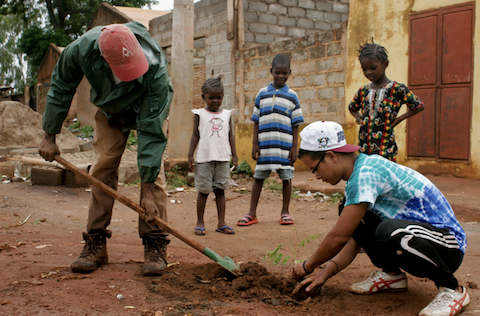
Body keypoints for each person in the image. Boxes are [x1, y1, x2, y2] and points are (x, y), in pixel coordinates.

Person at [292, 121, 469, 316]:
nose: (316, 176)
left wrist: (307, 266)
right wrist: (324, 274)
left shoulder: (366, 173)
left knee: (389, 230)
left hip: (448, 246)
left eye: (315, 169)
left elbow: (339, 236)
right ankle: (392, 275)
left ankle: (452, 290)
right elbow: (354, 238)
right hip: (419, 237)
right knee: (351, 211)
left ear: (331, 156)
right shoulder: (361, 173)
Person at [39, 22, 173, 276]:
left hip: (147, 105)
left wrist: (144, 191)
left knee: (153, 176)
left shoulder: (156, 72)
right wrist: (49, 135)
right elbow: (61, 86)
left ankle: (155, 242)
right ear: (103, 59)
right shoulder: (80, 50)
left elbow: (151, 136)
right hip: (110, 111)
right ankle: (95, 242)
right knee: (102, 169)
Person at [237, 54, 304, 226]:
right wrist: (254, 144)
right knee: (259, 177)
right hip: (265, 146)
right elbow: (256, 120)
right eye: (277, 73)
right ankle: (252, 213)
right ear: (271, 72)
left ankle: (285, 212)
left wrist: (294, 147)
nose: (280, 76)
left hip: (284, 147)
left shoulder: (292, 96)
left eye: (284, 73)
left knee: (286, 178)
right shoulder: (262, 94)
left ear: (289, 73)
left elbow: (296, 124)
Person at [349, 42, 424, 162]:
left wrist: (398, 119)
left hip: (386, 147)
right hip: (365, 147)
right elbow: (352, 108)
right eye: (364, 69)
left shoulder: (397, 88)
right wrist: (359, 118)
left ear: (385, 64)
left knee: (385, 177)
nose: (368, 72)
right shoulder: (363, 91)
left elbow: (418, 106)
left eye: (373, 68)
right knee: (367, 174)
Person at [188, 76, 237, 236]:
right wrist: (190, 155)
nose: (215, 101)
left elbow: (231, 136)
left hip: (222, 158)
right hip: (204, 159)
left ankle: (221, 222)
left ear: (223, 97)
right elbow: (195, 135)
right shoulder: (199, 114)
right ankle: (200, 222)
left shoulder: (227, 114)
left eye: (219, 97)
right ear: (203, 97)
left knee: (221, 190)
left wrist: (234, 156)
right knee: (203, 191)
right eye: (211, 98)